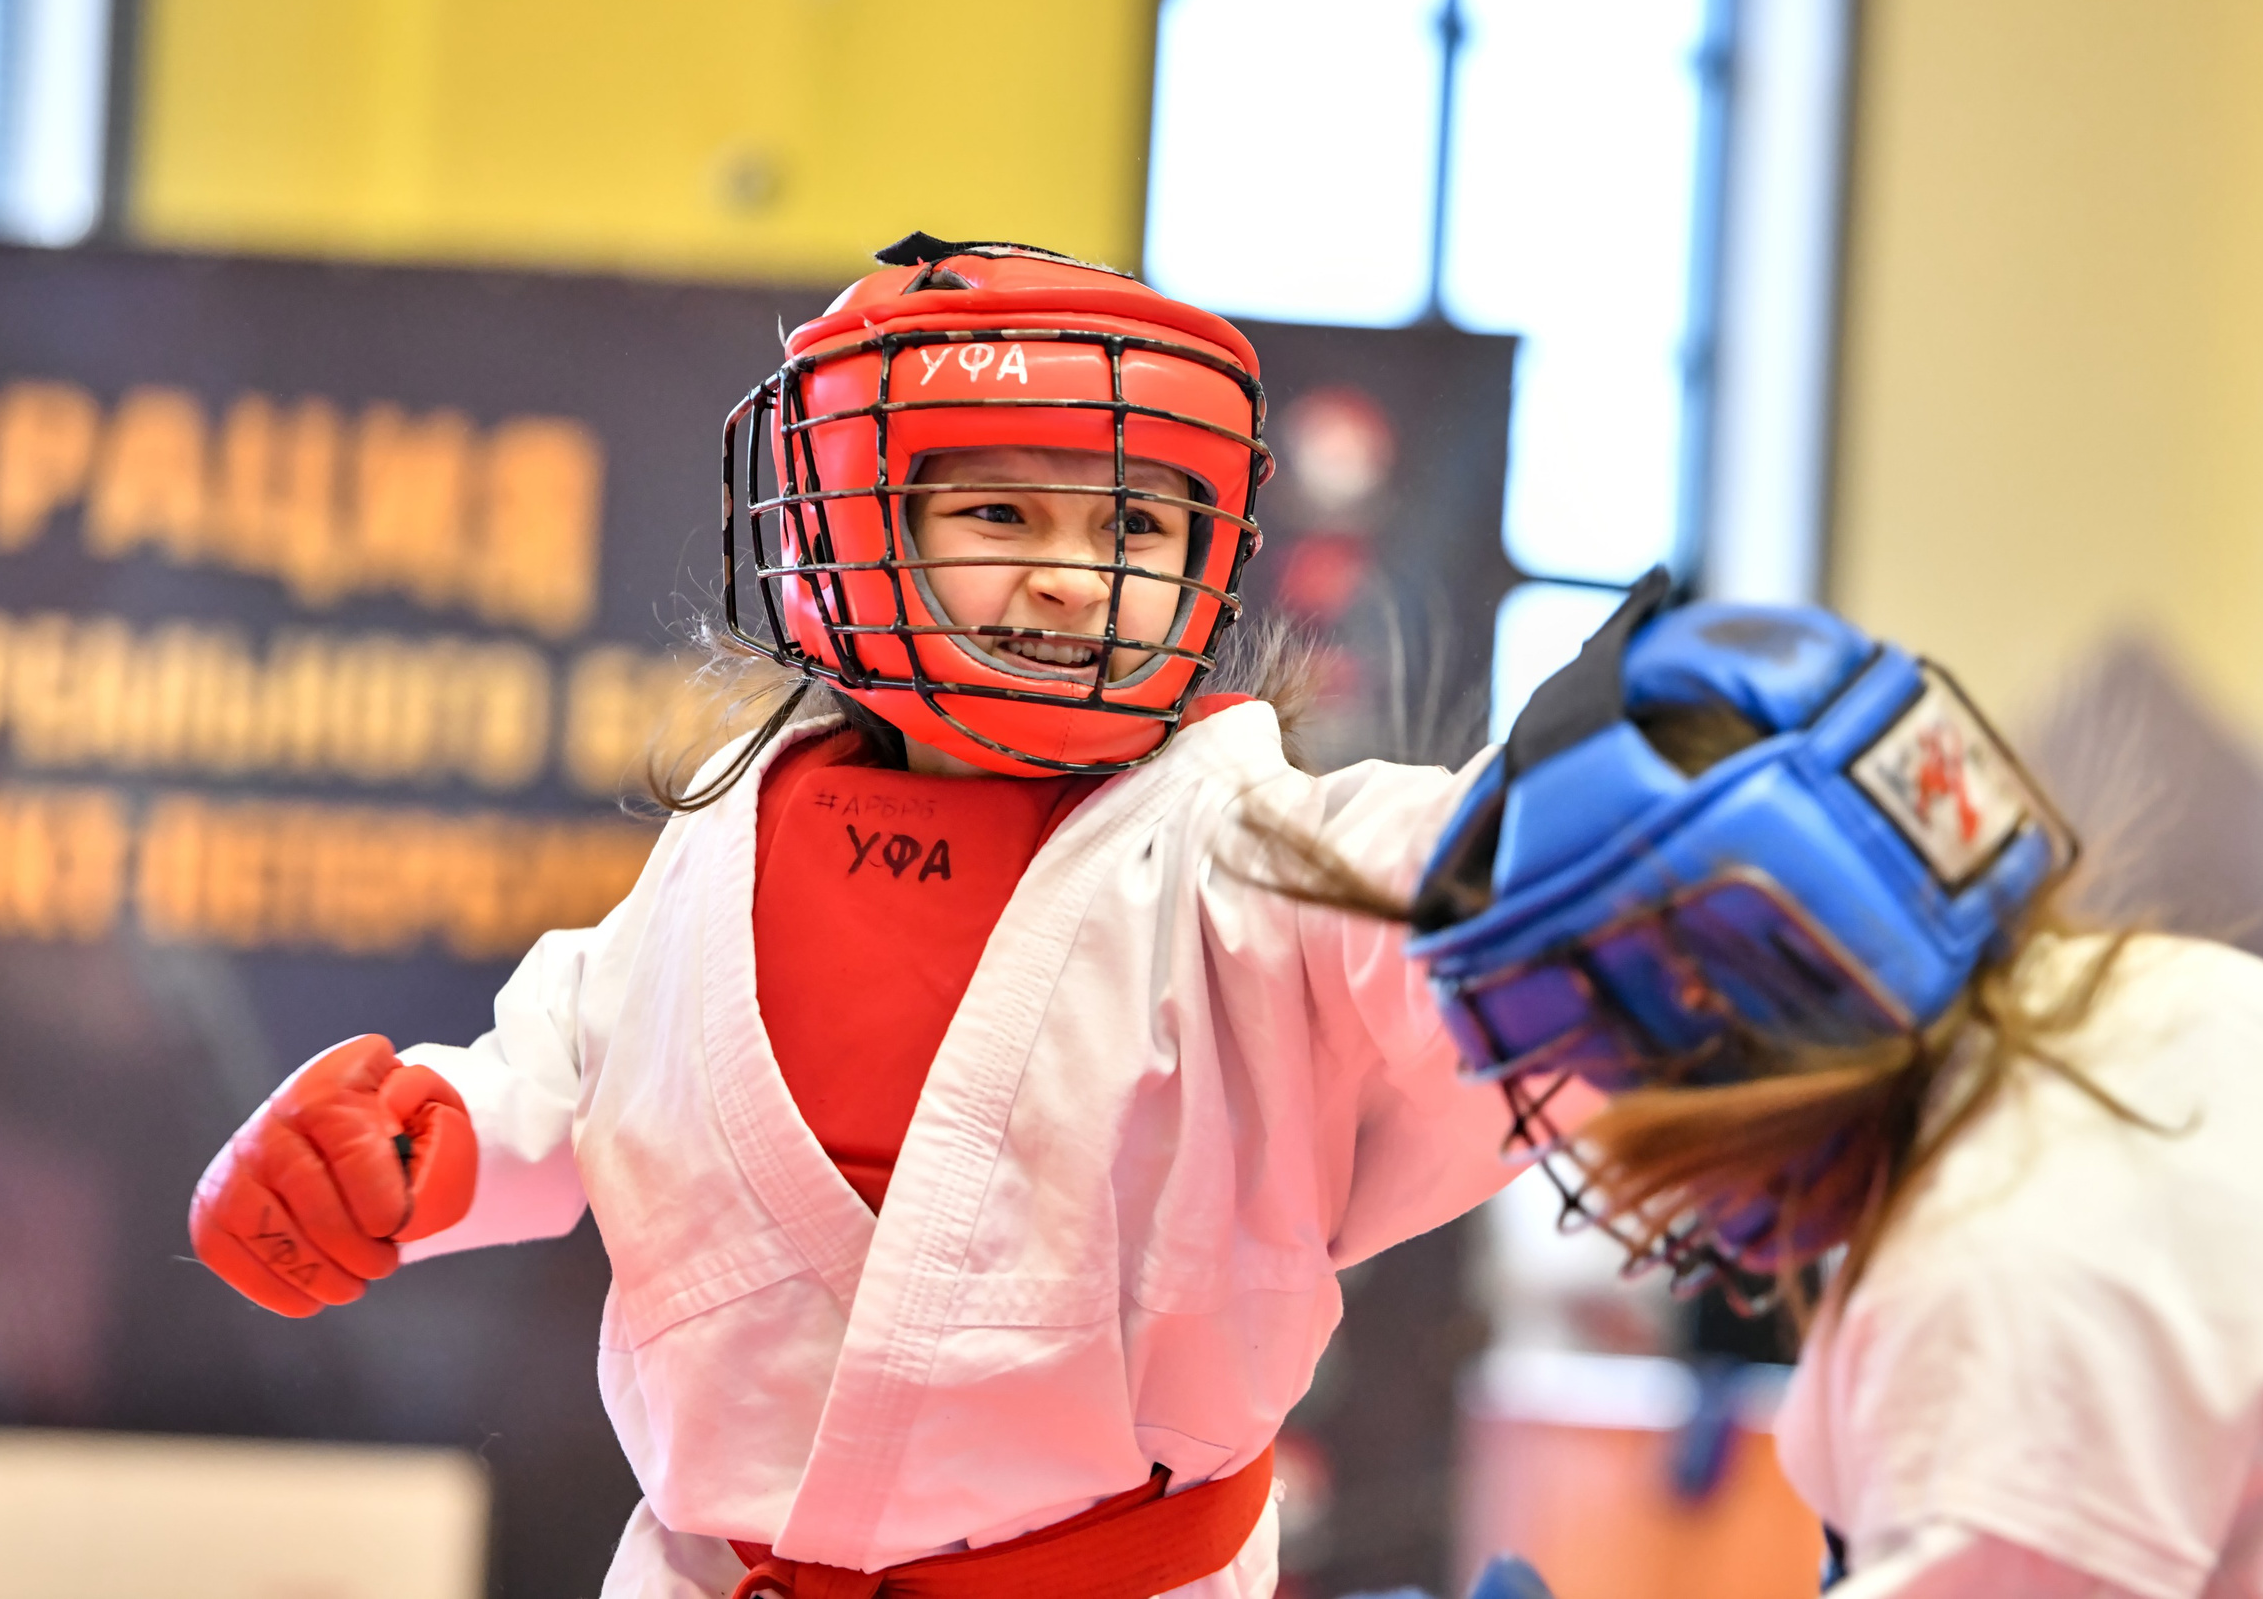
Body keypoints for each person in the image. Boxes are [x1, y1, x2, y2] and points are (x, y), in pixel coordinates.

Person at [186, 235, 1516, 1599]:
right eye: (1000, 514)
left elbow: (1428, 882)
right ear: (849, 529)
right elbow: (588, 1068)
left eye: (1132, 527)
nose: (1072, 577)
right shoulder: (734, 835)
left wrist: (1571, 824)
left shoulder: (1241, 849)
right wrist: (416, 1153)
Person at [1403, 573, 2263, 1597]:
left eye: (1619, 1076)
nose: (1614, 1141)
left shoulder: (2005, 1250)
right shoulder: (2184, 1014)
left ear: (1737, 998)